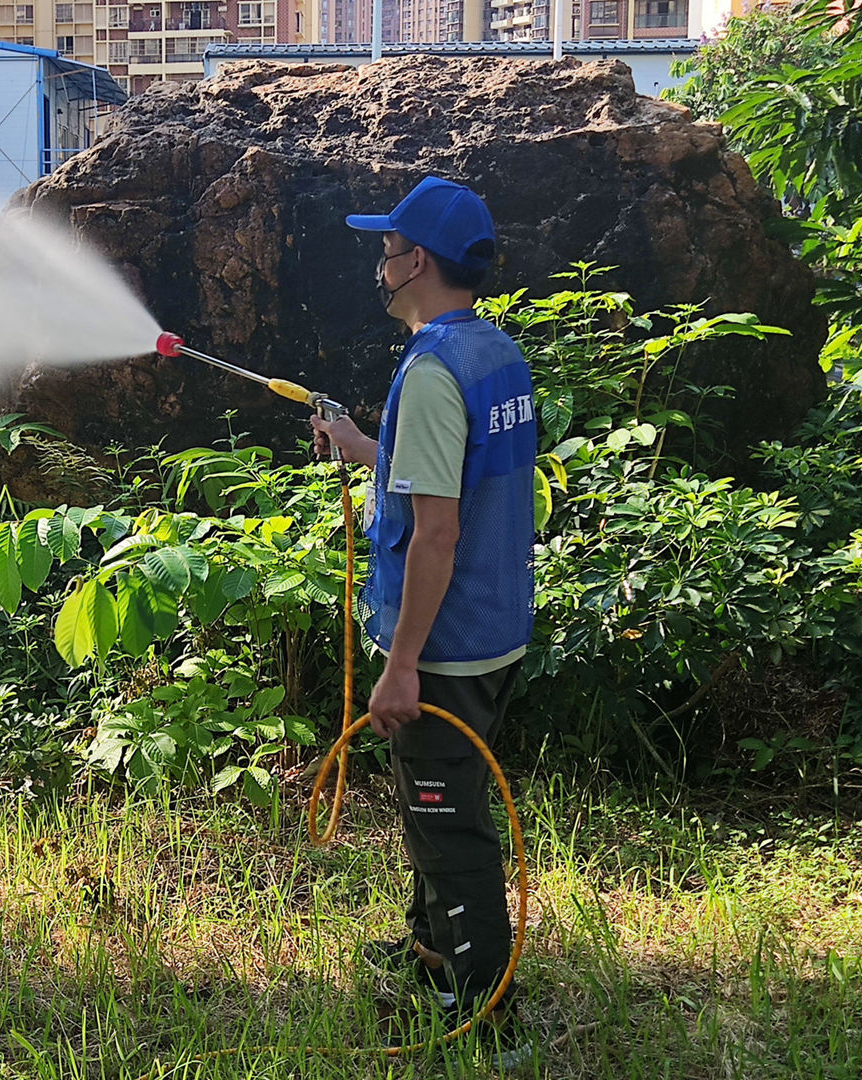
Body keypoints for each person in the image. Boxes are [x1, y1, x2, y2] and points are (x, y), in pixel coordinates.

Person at [310, 176, 537, 1068]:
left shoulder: (436, 373)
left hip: (443, 645)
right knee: (430, 802)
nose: (381, 262)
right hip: (493, 626)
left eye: (389, 247)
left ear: (420, 263)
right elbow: (450, 480)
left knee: (447, 821)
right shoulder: (493, 354)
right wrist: (367, 447)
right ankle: (431, 958)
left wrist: (401, 666)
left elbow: (438, 531)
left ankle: (490, 1020)